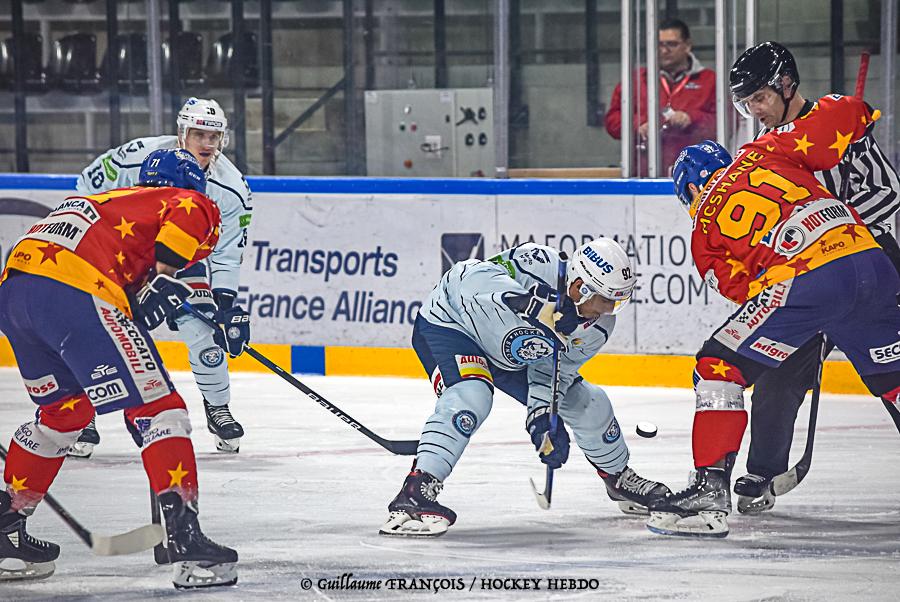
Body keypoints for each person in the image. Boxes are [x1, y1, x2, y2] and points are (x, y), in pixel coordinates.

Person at [647, 104, 900, 538]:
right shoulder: (764, 151)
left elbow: (747, 293)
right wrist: (858, 113)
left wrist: (803, 304)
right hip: (874, 262)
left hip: (809, 281)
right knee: (894, 380)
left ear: (690, 188)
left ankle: (709, 493)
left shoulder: (703, 232)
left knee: (717, 366)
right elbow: (838, 119)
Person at [0, 150, 239, 587]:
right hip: (75, 290)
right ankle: (186, 543)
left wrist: (143, 291)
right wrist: (165, 275)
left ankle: (5, 532)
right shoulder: (187, 198)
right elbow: (184, 224)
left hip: (15, 295)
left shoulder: (106, 202)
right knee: (159, 409)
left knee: (63, 415)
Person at [379, 239, 670, 537]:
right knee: (472, 396)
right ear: (580, 286)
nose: (608, 310)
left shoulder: (599, 326)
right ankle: (416, 490)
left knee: (588, 405)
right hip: (454, 328)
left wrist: (543, 420)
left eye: (617, 302)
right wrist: (527, 302)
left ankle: (618, 477)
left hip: (514, 358)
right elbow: (464, 278)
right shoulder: (536, 261)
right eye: (605, 300)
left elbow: (553, 372)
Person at [727, 42, 900, 513]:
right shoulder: (763, 151)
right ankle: (763, 472)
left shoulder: (835, 127)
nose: (755, 110)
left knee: (892, 371)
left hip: (866, 268)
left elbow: (887, 191)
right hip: (804, 279)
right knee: (777, 372)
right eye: (746, 102)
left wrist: (833, 228)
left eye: (760, 97)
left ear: (786, 85)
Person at [72, 97, 253, 456]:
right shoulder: (136, 156)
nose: (206, 143)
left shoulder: (232, 187)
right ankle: (82, 414)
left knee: (203, 331)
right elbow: (85, 190)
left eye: (213, 136)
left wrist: (225, 303)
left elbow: (227, 252)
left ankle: (218, 407)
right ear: (182, 133)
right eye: (199, 134)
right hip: (122, 254)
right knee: (97, 331)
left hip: (180, 255)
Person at [605, 18, 717, 176]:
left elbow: (727, 122)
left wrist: (692, 118)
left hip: (695, 174)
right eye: (659, 44)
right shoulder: (635, 80)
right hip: (644, 173)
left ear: (687, 45)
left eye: (671, 44)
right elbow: (612, 120)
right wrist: (638, 125)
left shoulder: (709, 80)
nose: (664, 50)